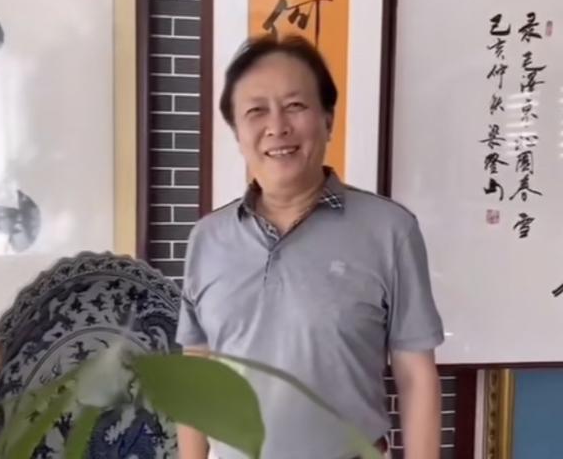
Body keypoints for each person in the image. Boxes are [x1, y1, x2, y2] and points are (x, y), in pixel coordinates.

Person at [175, 33, 444, 459]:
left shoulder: (390, 231)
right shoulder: (207, 238)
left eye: (295, 105)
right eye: (256, 111)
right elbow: (197, 365)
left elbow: (415, 375)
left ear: (328, 120)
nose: (277, 127)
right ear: (237, 133)